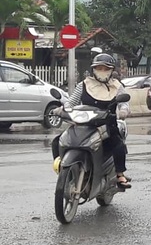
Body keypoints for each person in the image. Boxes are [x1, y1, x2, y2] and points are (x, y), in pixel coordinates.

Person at [53, 53, 132, 189]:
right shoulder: (84, 84)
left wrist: (123, 111)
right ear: (93, 70)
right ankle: (62, 169)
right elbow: (71, 102)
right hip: (84, 124)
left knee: (118, 145)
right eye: (99, 68)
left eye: (105, 68)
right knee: (57, 141)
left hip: (106, 125)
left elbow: (124, 104)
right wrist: (61, 110)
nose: (102, 71)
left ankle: (119, 174)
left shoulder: (117, 86)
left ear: (111, 70)